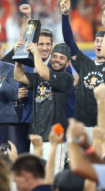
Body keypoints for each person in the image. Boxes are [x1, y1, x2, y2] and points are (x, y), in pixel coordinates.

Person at [14, 42, 73, 170]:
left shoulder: (67, 78)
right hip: (37, 137)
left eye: (62, 58)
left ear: (68, 63)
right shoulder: (38, 77)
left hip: (55, 138)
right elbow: (18, 76)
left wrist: (36, 52)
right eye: (55, 56)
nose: (57, 60)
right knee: (36, 174)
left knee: (53, 176)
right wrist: (18, 57)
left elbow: (44, 74)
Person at [60, 0, 105, 129]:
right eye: (97, 41)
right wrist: (65, 16)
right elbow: (69, 41)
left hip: (103, 126)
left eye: (103, 42)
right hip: (81, 125)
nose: (99, 44)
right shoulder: (85, 63)